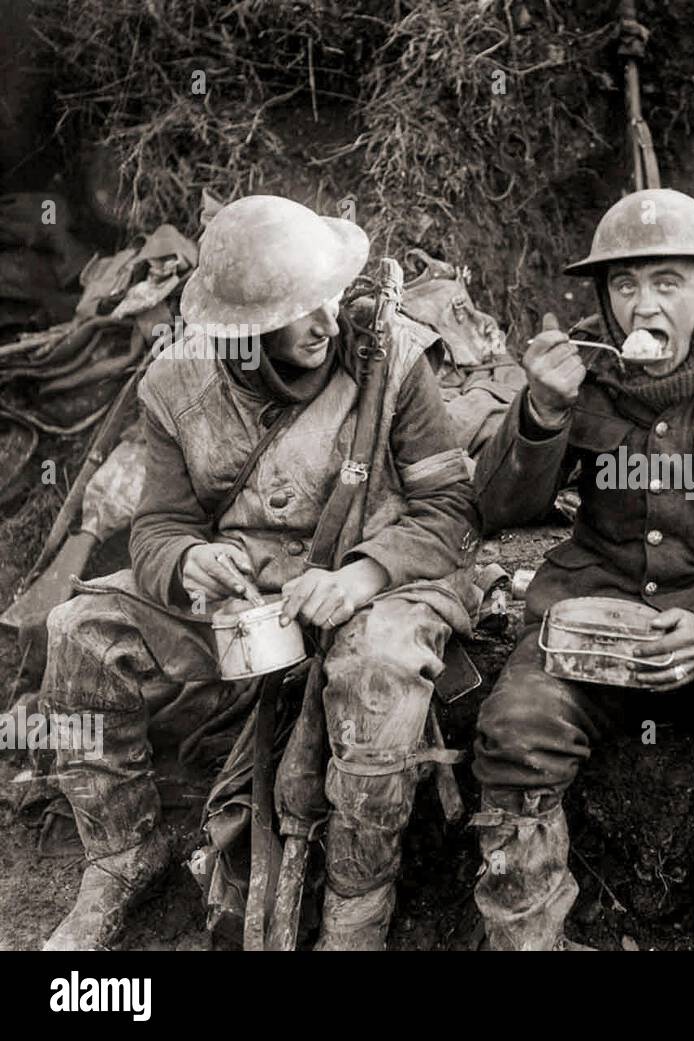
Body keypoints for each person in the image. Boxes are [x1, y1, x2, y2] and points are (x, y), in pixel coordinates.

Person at [38, 195, 480, 950]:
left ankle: (356, 906)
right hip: (250, 609)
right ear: (242, 331)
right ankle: (121, 856)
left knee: (378, 676)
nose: (329, 324)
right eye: (300, 311)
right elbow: (157, 528)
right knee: (79, 630)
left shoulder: (394, 359)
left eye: (330, 298)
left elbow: (451, 509)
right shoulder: (175, 387)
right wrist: (190, 558)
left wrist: (361, 577)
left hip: (374, 584)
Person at [469, 188, 694, 950]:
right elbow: (500, 509)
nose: (644, 308)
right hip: (592, 618)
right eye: (625, 285)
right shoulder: (578, 373)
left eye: (668, 281)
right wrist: (539, 413)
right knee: (514, 726)